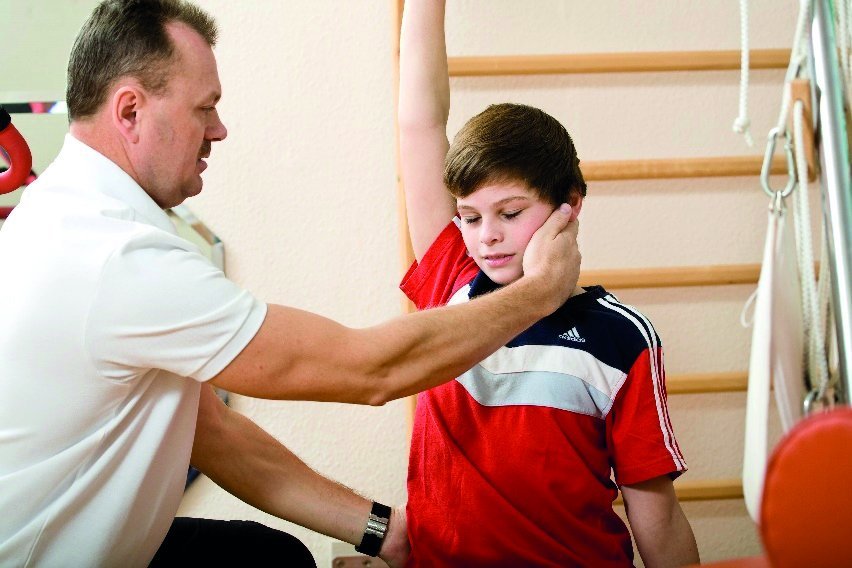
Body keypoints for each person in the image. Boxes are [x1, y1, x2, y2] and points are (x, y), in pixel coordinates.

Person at [0, 1, 582, 567]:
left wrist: (384, 533)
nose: (220, 129)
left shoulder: (69, 210)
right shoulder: (116, 255)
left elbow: (211, 431)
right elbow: (369, 371)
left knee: (267, 557)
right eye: (205, 108)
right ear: (129, 111)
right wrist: (539, 291)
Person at [397, 1, 701, 566]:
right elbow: (420, 123)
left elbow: (655, 518)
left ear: (570, 205)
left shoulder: (623, 338)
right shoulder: (450, 285)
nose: (486, 236)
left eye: (510, 213)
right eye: (469, 216)